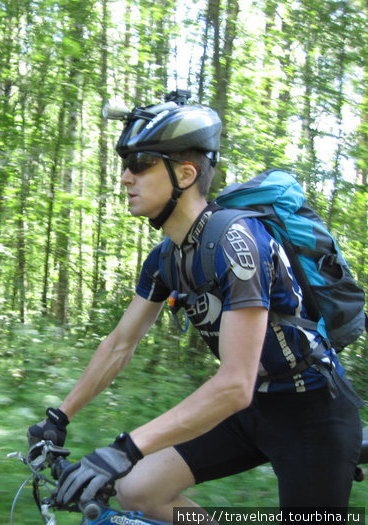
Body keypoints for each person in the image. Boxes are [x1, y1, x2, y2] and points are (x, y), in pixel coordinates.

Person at [27, 93, 363, 522]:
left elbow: (234, 383)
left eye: (141, 163)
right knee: (139, 490)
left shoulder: (238, 243)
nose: (125, 177)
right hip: (253, 410)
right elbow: (119, 344)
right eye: (125, 164)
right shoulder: (166, 256)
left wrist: (125, 448)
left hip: (313, 415)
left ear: (185, 174)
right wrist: (60, 416)